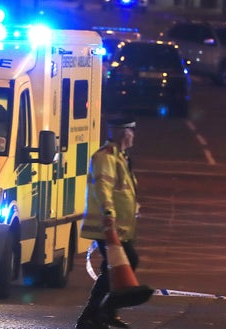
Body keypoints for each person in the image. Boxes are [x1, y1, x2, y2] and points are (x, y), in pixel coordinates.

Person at [76, 116, 139, 329]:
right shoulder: (106, 157)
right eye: (131, 132)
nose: (133, 136)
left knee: (111, 268)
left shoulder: (120, 157)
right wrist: (109, 213)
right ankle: (103, 311)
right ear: (124, 134)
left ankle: (95, 315)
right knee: (128, 260)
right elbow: (103, 187)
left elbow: (125, 189)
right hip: (106, 226)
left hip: (118, 227)